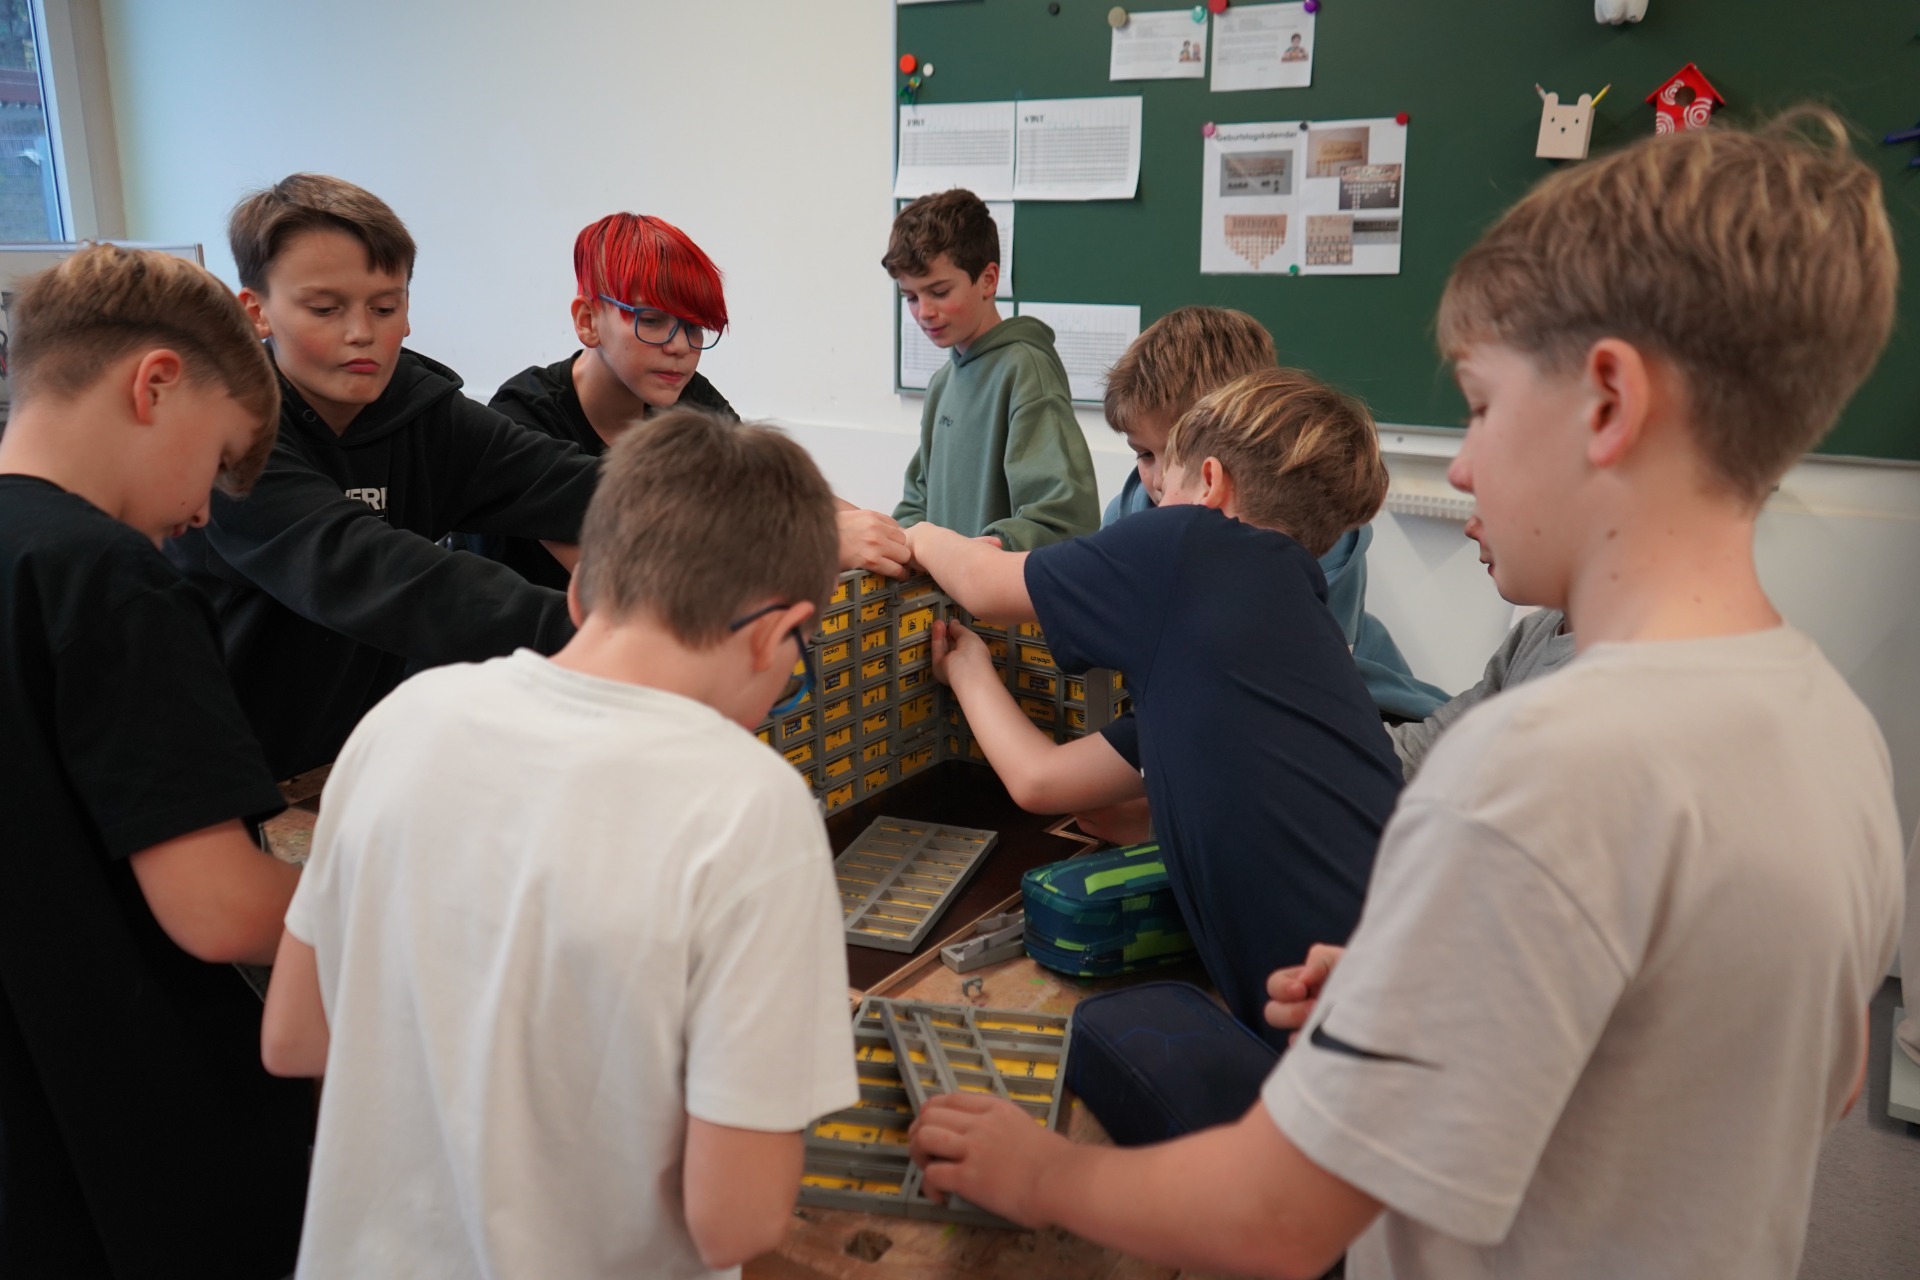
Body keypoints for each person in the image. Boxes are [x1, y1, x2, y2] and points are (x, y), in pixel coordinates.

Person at [907, 109, 1903, 1280]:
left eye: (1479, 403)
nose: (1464, 463)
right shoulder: (1836, 732)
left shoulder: (1536, 768)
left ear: (1608, 400)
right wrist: (1455, 987)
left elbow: (1280, 1216)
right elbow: (1815, 1075)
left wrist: (1041, 1173)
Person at [262, 408, 858, 1278]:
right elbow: (735, 1221)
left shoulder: (404, 719)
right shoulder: (749, 803)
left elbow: (294, 1038)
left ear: (580, 594)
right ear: (776, 632)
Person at [910, 366, 1403, 1047]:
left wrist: (917, 535)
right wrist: (967, 670)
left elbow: (982, 585)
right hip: (1394, 987)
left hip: (1327, 1044)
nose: (1151, 499)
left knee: (1102, 1039)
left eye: (1161, 484)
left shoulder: (1186, 546)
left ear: (1211, 482)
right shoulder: (1284, 631)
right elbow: (1041, 781)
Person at [0, 244, 312, 1278]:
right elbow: (219, 909)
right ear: (157, 383)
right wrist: (407, 896)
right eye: (219, 461)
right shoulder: (110, 577)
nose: (205, 513)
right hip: (130, 1123)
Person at [166, 173, 603, 779]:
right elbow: (369, 568)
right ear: (256, 312)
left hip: (348, 763)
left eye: (384, 307)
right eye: (325, 309)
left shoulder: (426, 416)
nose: (361, 333)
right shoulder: (226, 432)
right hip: (215, 774)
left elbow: (580, 487)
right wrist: (596, 632)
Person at [478, 212, 909, 586]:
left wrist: (909, 543)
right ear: (588, 321)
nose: (680, 347)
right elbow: (631, 588)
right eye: (652, 320)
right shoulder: (525, 420)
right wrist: (816, 543)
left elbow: (776, 491)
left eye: (694, 327)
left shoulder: (688, 397)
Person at [1102, 304, 1446, 721]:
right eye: (1144, 454)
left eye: (1178, 455)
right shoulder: (1128, 511)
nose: (1158, 480)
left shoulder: (1324, 539)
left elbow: (1287, 678)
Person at [887, 187, 1099, 549]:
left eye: (939, 292)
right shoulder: (942, 383)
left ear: (988, 279)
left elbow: (1063, 517)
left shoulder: (1026, 371)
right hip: (947, 586)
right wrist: (899, 540)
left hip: (992, 584)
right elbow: (918, 500)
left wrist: (983, 554)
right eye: (911, 297)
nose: (924, 312)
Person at [1388, 515, 1574, 778]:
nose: (1471, 528)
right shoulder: (1535, 631)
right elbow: (1425, 750)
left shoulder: (1610, 683)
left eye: (1495, 506)